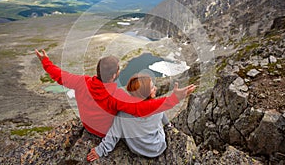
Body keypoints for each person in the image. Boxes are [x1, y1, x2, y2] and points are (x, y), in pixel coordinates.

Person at [35, 49, 195, 137]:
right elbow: (140, 109)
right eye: (119, 69)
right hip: (104, 132)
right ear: (113, 75)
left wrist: (45, 61)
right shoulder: (115, 95)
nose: (120, 70)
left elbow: (59, 75)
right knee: (134, 109)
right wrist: (174, 98)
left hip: (88, 126)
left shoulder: (80, 81)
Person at [87, 74, 196, 161]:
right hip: (158, 147)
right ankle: (168, 125)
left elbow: (113, 135)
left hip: (137, 149)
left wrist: (100, 151)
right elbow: (161, 109)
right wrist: (168, 126)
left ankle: (167, 125)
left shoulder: (122, 115)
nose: (156, 88)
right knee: (158, 108)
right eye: (152, 87)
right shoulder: (157, 107)